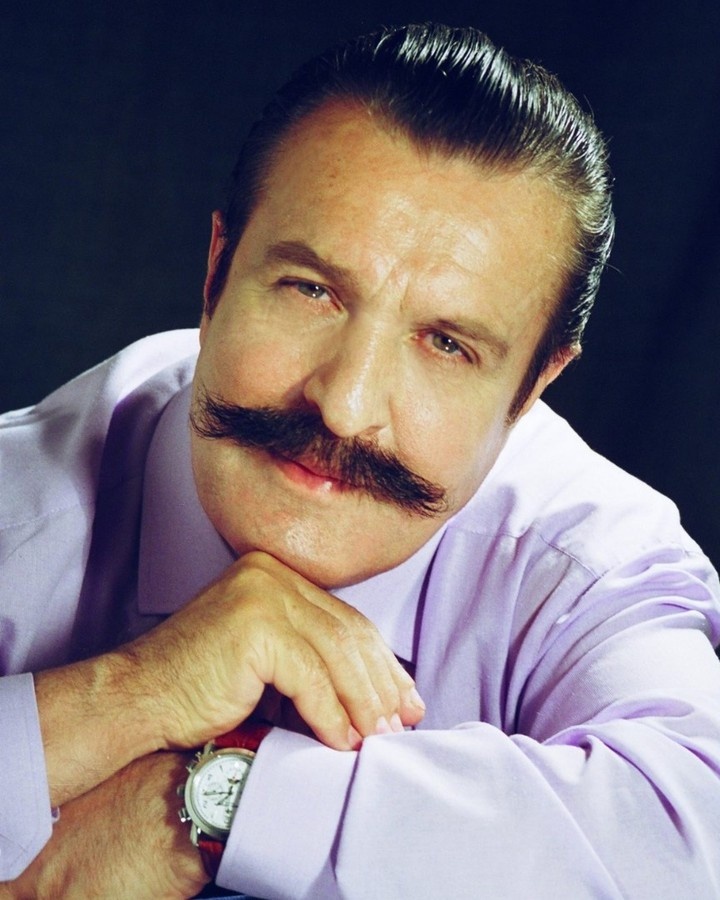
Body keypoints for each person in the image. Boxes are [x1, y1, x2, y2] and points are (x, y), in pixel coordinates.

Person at [2, 21, 720, 899]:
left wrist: (213, 802)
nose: (344, 405)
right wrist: (133, 693)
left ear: (531, 389)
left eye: (447, 344)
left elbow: (695, 842)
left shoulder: (587, 564)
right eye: (311, 290)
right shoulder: (21, 511)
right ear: (217, 274)